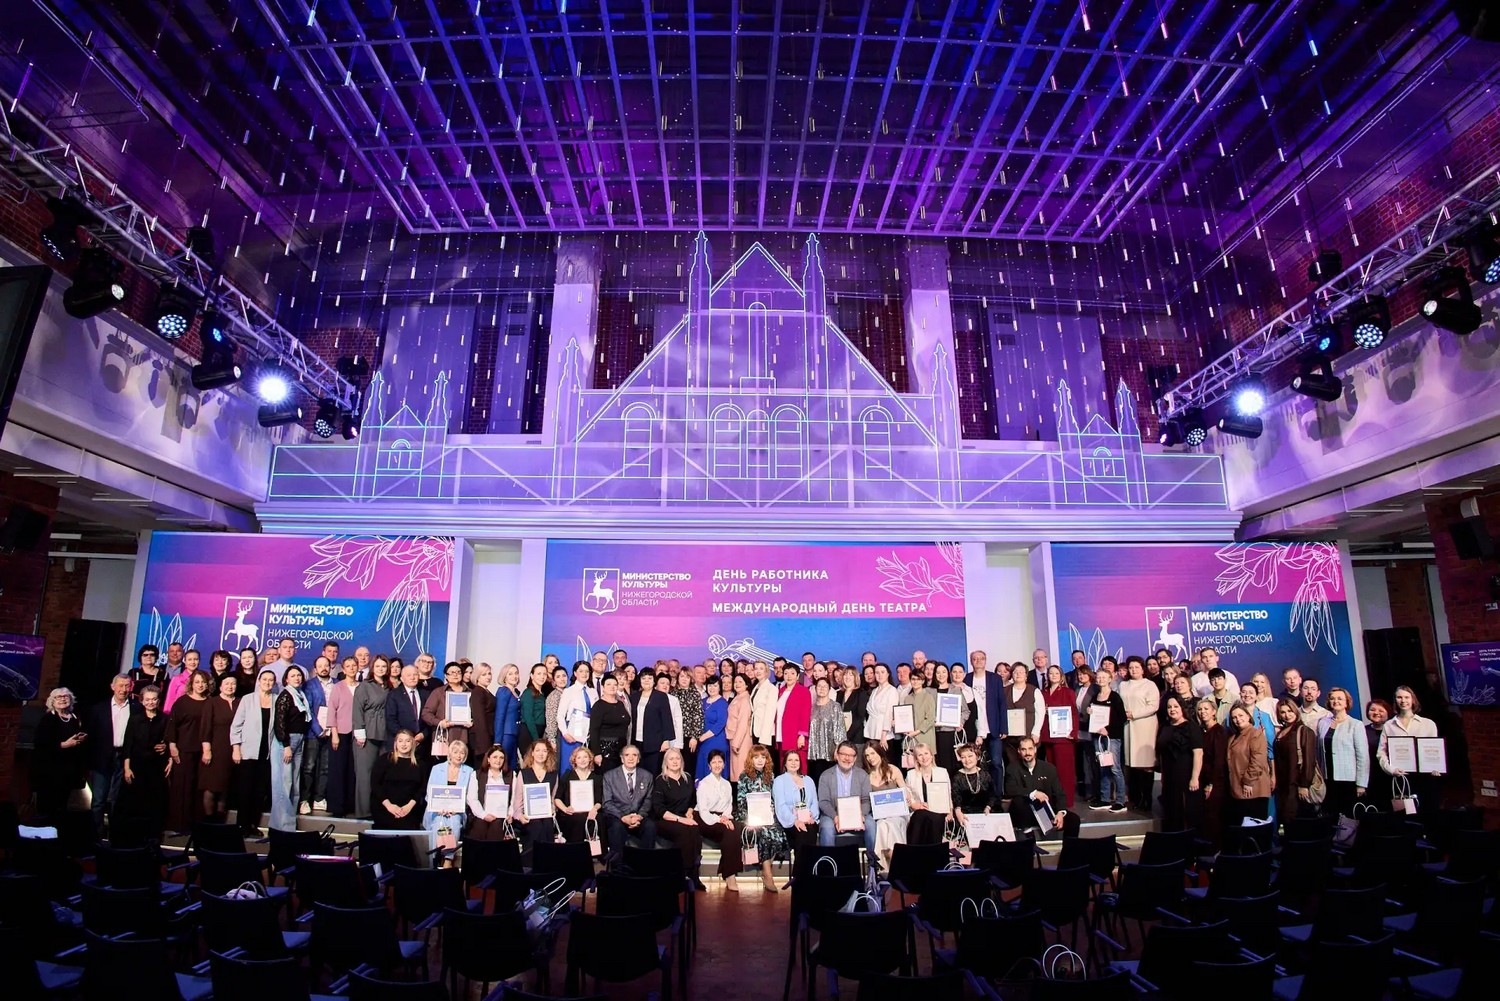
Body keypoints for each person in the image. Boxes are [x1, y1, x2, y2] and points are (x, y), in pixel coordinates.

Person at [116, 685, 171, 844]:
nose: (150, 702)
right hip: (136, 766)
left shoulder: (164, 719)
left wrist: (166, 748)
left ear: (158, 701)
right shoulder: (135, 719)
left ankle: (153, 839)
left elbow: (169, 741)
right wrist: (127, 768)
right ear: (142, 701)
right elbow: (128, 745)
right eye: (147, 699)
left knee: (155, 803)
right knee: (134, 803)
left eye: (154, 699)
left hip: (156, 767)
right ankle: (133, 839)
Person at [1377, 685, 1441, 815]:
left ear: (1413, 700)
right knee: (1406, 816)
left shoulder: (1428, 724)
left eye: (1406, 697)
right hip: (1401, 777)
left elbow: (1434, 750)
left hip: (1426, 778)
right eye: (1399, 697)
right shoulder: (1389, 725)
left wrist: (1436, 767)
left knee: (1429, 814)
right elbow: (1381, 753)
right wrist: (1391, 769)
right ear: (1395, 700)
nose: (1403, 700)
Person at [166, 670, 214, 832]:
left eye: (203, 682)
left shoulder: (210, 702)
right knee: (182, 786)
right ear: (191, 684)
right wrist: (172, 747)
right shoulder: (182, 702)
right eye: (197, 682)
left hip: (203, 752)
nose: (200, 685)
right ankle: (179, 823)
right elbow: (172, 725)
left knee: (198, 788)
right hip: (184, 749)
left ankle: (196, 824)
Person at [31, 687, 87, 822]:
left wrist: (79, 740)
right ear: (52, 701)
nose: (62, 699)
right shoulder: (48, 718)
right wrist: (63, 745)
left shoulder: (73, 718)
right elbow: (40, 743)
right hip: (50, 768)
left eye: (66, 696)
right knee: (48, 804)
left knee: (62, 804)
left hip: (68, 768)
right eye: (59, 697)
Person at [231, 669, 276, 833]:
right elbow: (236, 726)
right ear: (259, 681)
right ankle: (242, 825)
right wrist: (236, 748)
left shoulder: (276, 700)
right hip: (248, 751)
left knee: (259, 791)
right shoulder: (248, 699)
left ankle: (252, 824)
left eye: (271, 680)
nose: (267, 682)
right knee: (245, 790)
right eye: (265, 679)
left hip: (267, 753)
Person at [735, 744, 785, 892]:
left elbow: (774, 799)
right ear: (751, 759)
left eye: (763, 757)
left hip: (767, 815)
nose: (760, 760)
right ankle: (768, 874)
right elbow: (740, 802)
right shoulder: (744, 776)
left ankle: (766, 869)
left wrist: (771, 809)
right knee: (763, 831)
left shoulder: (771, 776)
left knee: (777, 831)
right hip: (749, 816)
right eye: (756, 757)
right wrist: (750, 817)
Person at [650, 747, 704, 884]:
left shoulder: (687, 778)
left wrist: (690, 811)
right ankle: (682, 874)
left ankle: (694, 875)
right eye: (671, 759)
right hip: (666, 819)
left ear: (682, 761)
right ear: (666, 762)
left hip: (684, 817)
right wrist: (681, 820)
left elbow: (693, 800)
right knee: (684, 831)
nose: (675, 761)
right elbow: (659, 809)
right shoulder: (660, 780)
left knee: (695, 829)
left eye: (677, 758)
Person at [1005, 736, 1075, 838]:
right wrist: (1033, 793)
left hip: (1045, 811)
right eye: (1024, 749)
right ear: (1019, 751)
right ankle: (1027, 836)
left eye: (1030, 749)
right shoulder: (1012, 768)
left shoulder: (1049, 768)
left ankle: (1069, 847)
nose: (1027, 753)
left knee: (1074, 820)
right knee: (1018, 801)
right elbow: (1010, 789)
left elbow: (1059, 793)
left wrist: (1060, 812)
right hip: (1025, 813)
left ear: (1035, 749)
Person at [815, 740, 877, 858]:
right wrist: (835, 817)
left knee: (871, 824)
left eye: (851, 755)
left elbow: (866, 800)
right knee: (827, 827)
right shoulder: (826, 775)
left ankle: (872, 862)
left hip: (858, 814)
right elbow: (823, 802)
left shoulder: (862, 775)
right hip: (833, 814)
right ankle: (829, 864)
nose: (847, 758)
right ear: (837, 755)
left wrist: (861, 815)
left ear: (855, 758)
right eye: (844, 754)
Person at [269, 666, 311, 832]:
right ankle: (281, 826)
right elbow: (279, 723)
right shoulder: (285, 696)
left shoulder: (300, 695)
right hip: (286, 742)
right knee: (284, 783)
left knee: (294, 782)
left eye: (299, 675)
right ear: (286, 679)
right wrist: (286, 745)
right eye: (293, 676)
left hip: (299, 740)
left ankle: (290, 823)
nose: (297, 678)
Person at [1316, 687, 1368, 819]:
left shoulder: (1355, 724)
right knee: (1330, 816)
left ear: (1346, 702)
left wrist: (1361, 784)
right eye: (1332, 698)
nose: (1336, 701)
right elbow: (1319, 751)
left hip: (1348, 780)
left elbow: (1362, 756)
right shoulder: (1323, 723)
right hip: (1327, 779)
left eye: (1340, 699)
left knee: (1347, 818)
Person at [695, 749, 742, 891]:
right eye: (713, 762)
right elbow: (703, 810)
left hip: (723, 816)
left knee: (738, 827)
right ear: (709, 766)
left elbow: (729, 805)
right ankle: (730, 875)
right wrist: (720, 819)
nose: (717, 765)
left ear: (724, 764)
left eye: (720, 762)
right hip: (705, 817)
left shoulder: (727, 784)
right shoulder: (703, 784)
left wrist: (726, 817)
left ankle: (726, 870)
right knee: (730, 831)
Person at [1155, 694, 1203, 832]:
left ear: (1182, 708)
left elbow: (1198, 754)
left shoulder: (1192, 727)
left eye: (1176, 706)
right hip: (1169, 777)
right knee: (1171, 811)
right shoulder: (1164, 727)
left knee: (1185, 812)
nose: (1172, 709)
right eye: (1169, 707)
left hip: (1186, 776)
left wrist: (1194, 778)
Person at [1119, 657, 1160, 812]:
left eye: (1137, 667)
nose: (1134, 670)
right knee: (1132, 763)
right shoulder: (1123, 685)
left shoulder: (1150, 685)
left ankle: (1147, 798)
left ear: (1143, 669)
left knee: (1145, 763)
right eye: (1131, 667)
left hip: (1145, 725)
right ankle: (1135, 797)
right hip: (1128, 726)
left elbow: (1153, 706)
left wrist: (1134, 714)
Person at [1086, 665, 1128, 813]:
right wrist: (1089, 711)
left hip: (1112, 738)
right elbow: (1094, 718)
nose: (1101, 679)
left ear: (1110, 679)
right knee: (1102, 766)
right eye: (1098, 677)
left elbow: (1122, 718)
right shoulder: (1095, 697)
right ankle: (1105, 799)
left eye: (1104, 677)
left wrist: (1108, 730)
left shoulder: (1115, 697)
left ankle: (1120, 800)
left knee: (1115, 768)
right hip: (1097, 737)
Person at [508, 738, 560, 856]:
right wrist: (520, 816)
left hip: (546, 815)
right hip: (527, 817)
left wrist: (553, 810)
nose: (541, 754)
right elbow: (517, 801)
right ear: (532, 753)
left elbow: (552, 799)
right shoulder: (524, 773)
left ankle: (546, 861)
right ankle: (530, 861)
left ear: (548, 754)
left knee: (547, 824)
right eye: (538, 750)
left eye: (544, 751)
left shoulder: (553, 775)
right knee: (536, 826)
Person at [324, 656, 361, 817]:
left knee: (353, 770)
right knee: (338, 770)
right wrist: (334, 734)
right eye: (348, 666)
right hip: (340, 733)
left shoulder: (362, 687)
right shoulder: (338, 687)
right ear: (343, 669)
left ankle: (351, 805)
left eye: (354, 665)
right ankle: (337, 807)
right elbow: (331, 711)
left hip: (357, 734)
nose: (351, 668)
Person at [1273, 697, 1320, 825]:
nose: (1287, 715)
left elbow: (1309, 760)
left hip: (1296, 784)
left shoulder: (1304, 731)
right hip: (1283, 785)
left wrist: (1304, 785)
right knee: (1284, 819)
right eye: (1283, 712)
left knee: (1294, 819)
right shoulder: (1280, 733)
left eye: (1290, 711)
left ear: (1295, 711)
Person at [864, 742, 910, 871]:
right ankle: (888, 866)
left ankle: (889, 865)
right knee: (881, 825)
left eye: (872, 753)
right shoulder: (866, 776)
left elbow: (905, 791)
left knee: (890, 824)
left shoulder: (893, 770)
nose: (870, 758)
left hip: (898, 815)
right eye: (867, 755)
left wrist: (907, 796)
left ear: (880, 753)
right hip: (880, 816)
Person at [602, 744, 656, 852]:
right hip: (617, 817)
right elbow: (607, 803)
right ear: (622, 759)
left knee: (650, 826)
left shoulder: (647, 776)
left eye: (634, 755)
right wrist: (623, 817)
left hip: (638, 817)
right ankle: (617, 862)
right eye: (627, 755)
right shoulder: (609, 776)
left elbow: (648, 801)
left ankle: (645, 861)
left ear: (638, 759)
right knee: (616, 827)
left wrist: (639, 816)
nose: (631, 758)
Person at [298, 656, 334, 814]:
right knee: (309, 767)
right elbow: (308, 710)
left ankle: (320, 798)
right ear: (315, 668)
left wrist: (332, 729)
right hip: (313, 733)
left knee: (326, 767)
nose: (324, 668)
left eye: (326, 665)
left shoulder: (337, 684)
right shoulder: (309, 685)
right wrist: (318, 730)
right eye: (320, 666)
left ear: (331, 667)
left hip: (332, 732)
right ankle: (305, 799)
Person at [1225, 704, 1271, 826]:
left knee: (1254, 827)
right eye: (1234, 717)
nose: (1238, 719)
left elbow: (1258, 760)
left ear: (1248, 716)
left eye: (1241, 715)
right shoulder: (1233, 737)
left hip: (1253, 789)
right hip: (1238, 789)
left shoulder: (1255, 734)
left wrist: (1248, 782)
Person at [1038, 665, 1077, 808]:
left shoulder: (1068, 692)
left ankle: (1066, 801)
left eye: (1056, 673)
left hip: (1064, 737)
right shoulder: (1043, 693)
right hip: (1048, 735)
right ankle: (1054, 800)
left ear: (1061, 676)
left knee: (1065, 770)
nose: (1053, 675)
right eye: (1051, 673)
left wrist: (1073, 732)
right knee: (1051, 770)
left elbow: (1074, 713)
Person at [371, 730, 425, 829]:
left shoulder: (420, 763)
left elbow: (422, 788)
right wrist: (389, 806)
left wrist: (408, 807)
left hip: (410, 809)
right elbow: (375, 784)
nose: (404, 744)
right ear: (395, 743)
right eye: (400, 741)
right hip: (386, 807)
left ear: (413, 743)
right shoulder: (385, 759)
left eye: (407, 741)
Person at [200, 673, 236, 822]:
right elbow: (205, 727)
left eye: (233, 683)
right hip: (215, 749)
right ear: (220, 686)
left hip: (232, 750)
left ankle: (220, 823)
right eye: (227, 683)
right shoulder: (212, 703)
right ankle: (209, 822)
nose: (230, 686)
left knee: (225, 788)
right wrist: (207, 750)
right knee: (211, 787)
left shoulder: (240, 702)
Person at [1194, 699, 1229, 849]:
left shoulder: (1219, 732)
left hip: (1216, 782)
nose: (1202, 712)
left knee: (1214, 818)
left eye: (1206, 709)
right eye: (1200, 709)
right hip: (1203, 779)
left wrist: (1211, 784)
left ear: (1214, 711)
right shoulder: (1201, 731)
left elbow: (1219, 760)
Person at [773, 749, 821, 856]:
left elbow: (814, 802)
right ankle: (801, 866)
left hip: (809, 819)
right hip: (790, 821)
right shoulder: (779, 781)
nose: (793, 763)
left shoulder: (808, 780)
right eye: (790, 760)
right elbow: (781, 806)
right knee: (801, 832)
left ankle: (810, 865)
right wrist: (795, 821)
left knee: (811, 830)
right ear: (785, 763)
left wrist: (812, 816)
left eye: (796, 760)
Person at [421, 662, 472, 763]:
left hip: (466, 737)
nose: (455, 675)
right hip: (444, 737)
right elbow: (426, 713)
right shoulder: (438, 692)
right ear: (446, 676)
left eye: (458, 672)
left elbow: (476, 714)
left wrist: (472, 721)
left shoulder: (470, 693)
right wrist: (440, 723)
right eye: (452, 672)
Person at [423, 740, 474, 841]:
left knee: (454, 823)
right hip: (437, 811)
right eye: (455, 752)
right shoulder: (437, 768)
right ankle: (436, 851)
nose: (458, 756)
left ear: (465, 755)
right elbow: (429, 793)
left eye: (462, 753)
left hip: (457, 812)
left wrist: (457, 809)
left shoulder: (469, 771)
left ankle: (450, 851)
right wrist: (438, 808)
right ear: (450, 754)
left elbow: (469, 796)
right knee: (438, 823)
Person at [903, 742, 952, 845]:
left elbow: (948, 794)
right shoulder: (911, 774)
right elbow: (908, 796)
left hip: (938, 810)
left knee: (934, 818)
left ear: (931, 755)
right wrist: (915, 805)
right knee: (920, 815)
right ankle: (914, 850)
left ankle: (933, 851)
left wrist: (950, 811)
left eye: (926, 753)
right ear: (916, 759)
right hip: (919, 810)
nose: (924, 758)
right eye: (920, 755)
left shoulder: (942, 772)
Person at [554, 744, 603, 847]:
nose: (582, 760)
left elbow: (599, 800)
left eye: (585, 757)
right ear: (574, 760)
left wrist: (594, 809)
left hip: (591, 811)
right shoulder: (567, 775)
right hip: (571, 812)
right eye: (579, 757)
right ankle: (576, 852)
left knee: (599, 819)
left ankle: (595, 852)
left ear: (590, 759)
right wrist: (565, 809)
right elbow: (557, 798)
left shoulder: (597, 777)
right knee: (578, 819)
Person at [465, 744, 515, 841]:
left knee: (497, 825)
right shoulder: (476, 775)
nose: (498, 760)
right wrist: (483, 815)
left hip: (502, 816)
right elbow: (472, 799)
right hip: (481, 814)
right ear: (488, 759)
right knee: (480, 825)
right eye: (495, 757)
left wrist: (510, 814)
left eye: (501, 758)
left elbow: (514, 799)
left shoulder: (511, 775)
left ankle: (493, 852)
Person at [587, 674, 632, 773]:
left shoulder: (620, 704)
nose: (612, 687)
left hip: (621, 749)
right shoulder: (598, 706)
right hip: (605, 750)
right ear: (603, 687)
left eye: (615, 684)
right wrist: (597, 753)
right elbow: (594, 730)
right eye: (609, 684)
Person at [805, 677, 845, 784]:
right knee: (815, 781)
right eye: (819, 686)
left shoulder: (835, 706)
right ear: (815, 689)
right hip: (814, 754)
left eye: (825, 686)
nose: (822, 688)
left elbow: (840, 729)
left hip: (830, 753)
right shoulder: (811, 708)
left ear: (829, 689)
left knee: (830, 783)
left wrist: (838, 749)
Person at [951, 743, 996, 837]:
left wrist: (988, 807)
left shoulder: (985, 775)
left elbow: (992, 795)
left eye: (970, 756)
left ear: (978, 757)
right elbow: (956, 798)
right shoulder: (957, 777)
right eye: (963, 757)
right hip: (964, 814)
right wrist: (958, 813)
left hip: (984, 812)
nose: (967, 760)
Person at [638, 672, 677, 776]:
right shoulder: (634, 696)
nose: (646, 680)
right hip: (637, 741)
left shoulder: (661, 696)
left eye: (649, 678)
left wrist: (666, 740)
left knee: (653, 772)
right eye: (644, 678)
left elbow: (667, 719)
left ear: (654, 681)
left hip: (655, 742)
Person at [693, 676, 730, 781]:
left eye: (715, 685)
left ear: (720, 687)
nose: (712, 688)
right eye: (710, 685)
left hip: (716, 740)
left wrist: (703, 737)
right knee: (703, 768)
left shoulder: (722, 703)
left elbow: (720, 723)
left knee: (714, 767)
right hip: (702, 741)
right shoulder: (703, 701)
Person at [899, 672, 938, 769]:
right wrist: (902, 727)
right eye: (913, 679)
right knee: (912, 769)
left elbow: (931, 718)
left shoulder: (928, 697)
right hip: (910, 739)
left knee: (927, 768)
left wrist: (916, 731)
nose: (915, 682)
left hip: (924, 737)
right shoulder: (907, 698)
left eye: (918, 679)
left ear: (923, 681)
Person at [674, 670, 706, 778]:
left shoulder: (695, 694)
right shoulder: (672, 694)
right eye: (682, 676)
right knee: (675, 765)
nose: (684, 679)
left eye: (687, 677)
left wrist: (694, 737)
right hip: (675, 737)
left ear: (691, 679)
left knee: (688, 767)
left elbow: (698, 716)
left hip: (689, 737)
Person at [865, 663, 900, 749]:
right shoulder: (874, 691)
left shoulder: (892, 690)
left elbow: (889, 713)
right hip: (871, 731)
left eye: (882, 672)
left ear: (888, 674)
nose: (880, 675)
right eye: (877, 673)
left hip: (884, 735)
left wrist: (883, 735)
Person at [493, 663, 522, 769]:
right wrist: (497, 741)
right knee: (504, 765)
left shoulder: (516, 692)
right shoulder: (503, 691)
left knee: (512, 766)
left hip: (514, 734)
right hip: (506, 735)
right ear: (504, 676)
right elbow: (499, 716)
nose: (514, 676)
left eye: (516, 673)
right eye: (510, 674)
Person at [726, 673, 753, 780]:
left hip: (741, 740)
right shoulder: (738, 697)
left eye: (740, 682)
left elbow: (743, 723)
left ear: (746, 685)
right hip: (735, 737)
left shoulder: (744, 699)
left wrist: (736, 743)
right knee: (736, 770)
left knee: (740, 770)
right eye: (736, 682)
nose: (737, 684)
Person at [519, 663, 548, 757]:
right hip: (529, 731)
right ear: (532, 676)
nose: (542, 676)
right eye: (539, 673)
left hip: (538, 731)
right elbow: (528, 717)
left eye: (544, 674)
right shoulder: (528, 693)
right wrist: (536, 739)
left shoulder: (541, 694)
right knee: (529, 761)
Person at [838, 666, 869, 749]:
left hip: (856, 738)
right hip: (841, 737)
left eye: (851, 675)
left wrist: (847, 736)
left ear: (856, 678)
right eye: (845, 674)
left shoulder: (861, 693)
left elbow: (859, 718)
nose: (847, 677)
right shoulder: (839, 694)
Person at [543, 664, 568, 749]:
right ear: (554, 681)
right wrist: (552, 739)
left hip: (565, 733)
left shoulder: (568, 693)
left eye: (564, 676)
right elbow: (551, 719)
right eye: (558, 677)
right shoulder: (554, 696)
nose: (562, 679)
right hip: (556, 735)